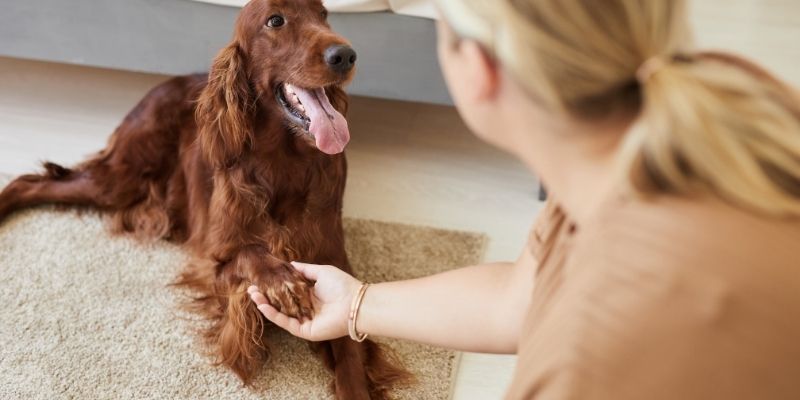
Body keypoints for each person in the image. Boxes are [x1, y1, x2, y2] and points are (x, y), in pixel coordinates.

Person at [249, 0, 800, 398]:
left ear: (479, 69)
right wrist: (357, 304)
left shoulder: (587, 367)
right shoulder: (722, 107)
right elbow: (520, 297)